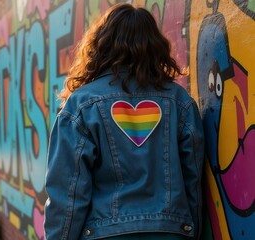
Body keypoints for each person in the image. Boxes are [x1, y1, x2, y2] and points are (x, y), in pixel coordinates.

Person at [44, 3, 204, 240]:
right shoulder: (180, 102)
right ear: (155, 47)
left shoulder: (81, 106)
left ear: (101, 46)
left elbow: (67, 194)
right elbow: (194, 182)